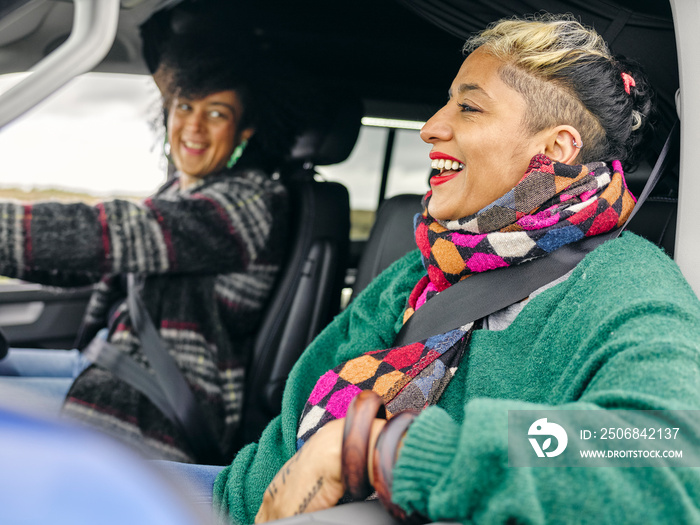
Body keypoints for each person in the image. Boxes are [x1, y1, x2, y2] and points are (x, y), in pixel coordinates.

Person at [193, 13, 700, 524]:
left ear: (555, 149)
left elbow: (660, 454)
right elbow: (277, 449)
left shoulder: (624, 287)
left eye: (469, 107)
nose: (431, 127)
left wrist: (386, 453)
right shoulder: (416, 274)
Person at [0, 36, 307, 463]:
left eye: (216, 114)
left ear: (245, 129)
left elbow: (114, 235)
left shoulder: (250, 203)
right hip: (109, 361)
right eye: (184, 107)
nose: (194, 127)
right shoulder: (181, 190)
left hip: (157, 400)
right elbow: (93, 263)